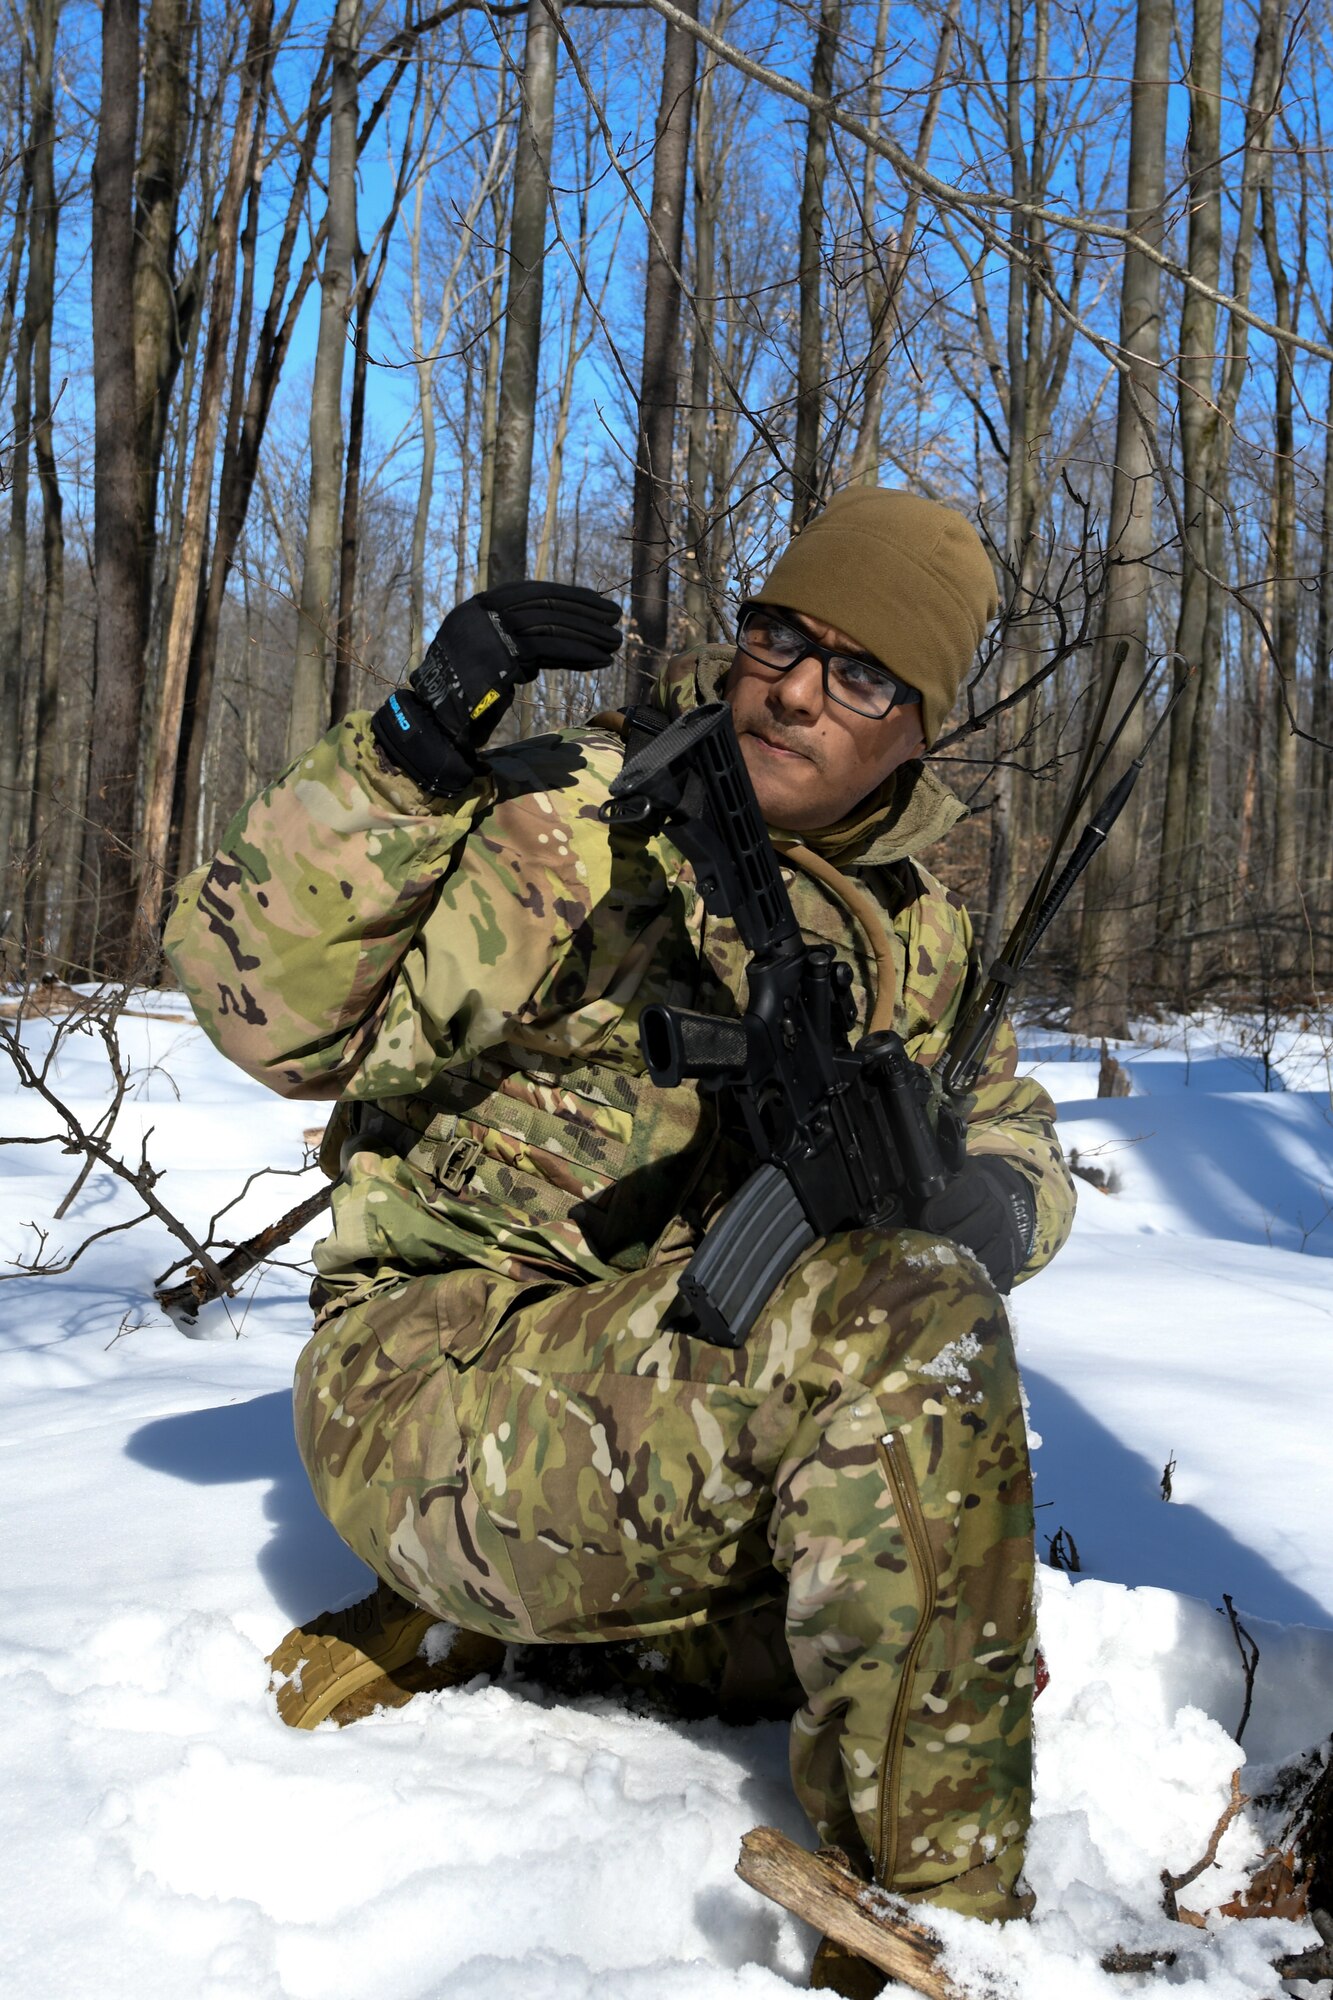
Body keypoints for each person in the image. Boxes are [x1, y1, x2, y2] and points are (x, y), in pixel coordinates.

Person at [166, 486, 1074, 1996]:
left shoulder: (915, 928)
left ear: (920, 731)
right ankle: (945, 1933)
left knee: (936, 1550)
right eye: (782, 634)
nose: (794, 686)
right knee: (901, 1336)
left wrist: (991, 1202)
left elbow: (1014, 1129)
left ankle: (655, 1650)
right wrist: (407, 757)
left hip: (658, 1401)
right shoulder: (573, 819)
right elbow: (259, 1009)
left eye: (861, 675)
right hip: (432, 1386)